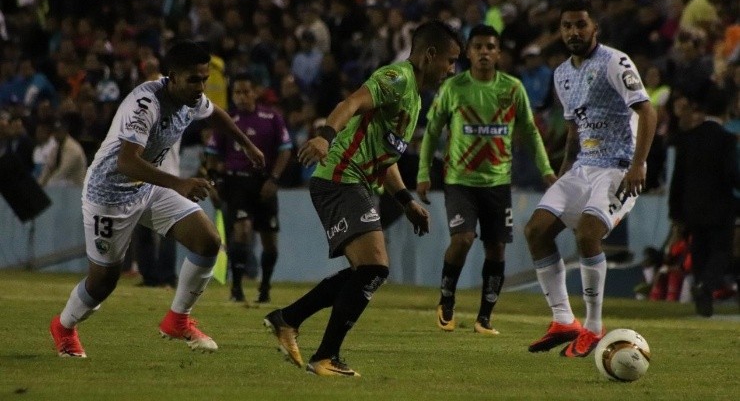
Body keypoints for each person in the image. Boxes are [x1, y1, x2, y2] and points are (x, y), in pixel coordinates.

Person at [263, 20, 462, 377]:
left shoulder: (415, 98)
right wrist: (325, 135)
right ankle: (324, 355)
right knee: (374, 268)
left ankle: (288, 319)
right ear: (430, 55)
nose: (452, 69)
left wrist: (405, 201)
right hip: (340, 176)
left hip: (355, 182)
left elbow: (386, 158)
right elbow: (351, 102)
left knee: (366, 270)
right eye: (450, 60)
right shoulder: (398, 78)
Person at [49, 40, 265, 358]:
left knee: (207, 240)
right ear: (172, 76)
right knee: (103, 282)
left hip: (145, 187)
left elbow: (215, 113)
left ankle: (178, 319)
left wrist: (246, 144)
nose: (201, 86)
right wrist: (178, 183)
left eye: (204, 79)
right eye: (194, 79)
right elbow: (126, 161)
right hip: (108, 195)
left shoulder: (191, 97)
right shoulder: (144, 104)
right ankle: (64, 327)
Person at [523, 0, 657, 358]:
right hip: (582, 166)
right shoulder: (562, 73)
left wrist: (638, 164)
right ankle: (564, 320)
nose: (573, 32)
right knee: (536, 230)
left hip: (617, 167)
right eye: (567, 26)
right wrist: (564, 173)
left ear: (594, 27)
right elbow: (573, 129)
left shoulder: (615, 61)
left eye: (580, 25)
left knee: (587, 234)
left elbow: (647, 111)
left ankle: (595, 327)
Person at [416, 24, 556, 336]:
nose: (483, 52)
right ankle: (446, 300)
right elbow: (433, 132)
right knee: (463, 240)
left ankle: (484, 318)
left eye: (490, 47)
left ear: (498, 53)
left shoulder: (512, 88)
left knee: (496, 250)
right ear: (468, 53)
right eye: (477, 47)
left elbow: (531, 132)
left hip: (497, 183)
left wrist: (546, 169)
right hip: (459, 181)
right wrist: (424, 173)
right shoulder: (454, 88)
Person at [206, 73, 292, 303]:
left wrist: (274, 179)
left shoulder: (272, 118)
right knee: (242, 230)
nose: (241, 97)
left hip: (264, 183)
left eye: (246, 91)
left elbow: (285, 149)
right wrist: (213, 182)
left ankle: (264, 288)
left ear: (255, 92)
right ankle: (236, 288)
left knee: (269, 240)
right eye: (237, 92)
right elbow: (213, 155)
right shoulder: (226, 120)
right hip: (237, 183)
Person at [669, 86, 737, 317]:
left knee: (699, 250)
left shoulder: (688, 138)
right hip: (720, 207)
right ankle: (705, 286)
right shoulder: (726, 139)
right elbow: (732, 174)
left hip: (692, 208)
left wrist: (675, 212)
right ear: (726, 110)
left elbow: (677, 178)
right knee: (721, 251)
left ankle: (703, 301)